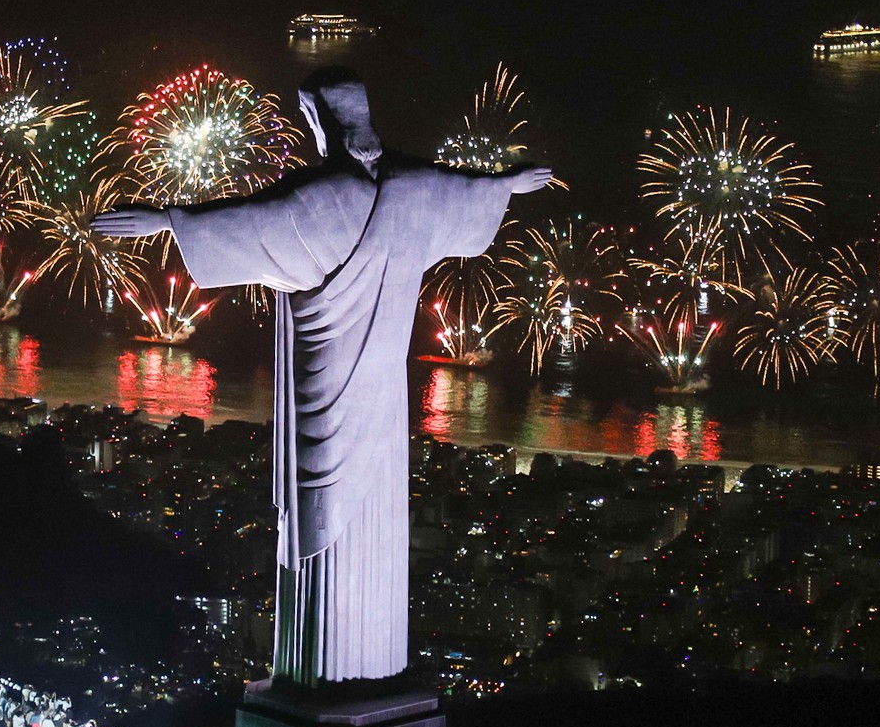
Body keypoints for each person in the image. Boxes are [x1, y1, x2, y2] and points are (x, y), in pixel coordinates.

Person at [92, 67, 551, 685]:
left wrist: (169, 220)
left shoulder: (323, 199)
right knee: (368, 521)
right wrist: (508, 185)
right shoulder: (414, 188)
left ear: (316, 122)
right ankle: (368, 669)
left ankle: (322, 675)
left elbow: (245, 223)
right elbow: (465, 193)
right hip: (386, 403)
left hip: (323, 387)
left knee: (318, 518)